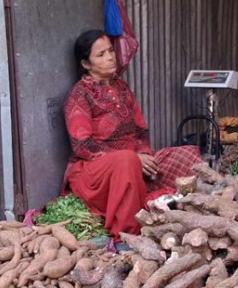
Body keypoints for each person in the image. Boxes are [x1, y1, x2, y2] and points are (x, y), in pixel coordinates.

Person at [62, 29, 202, 237]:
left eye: (110, 50)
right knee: (127, 161)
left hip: (133, 160)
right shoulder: (79, 96)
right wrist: (135, 158)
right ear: (85, 64)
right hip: (95, 172)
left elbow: (141, 130)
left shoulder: (121, 87)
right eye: (101, 55)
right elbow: (83, 146)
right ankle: (128, 233)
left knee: (188, 155)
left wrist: (144, 154)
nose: (110, 57)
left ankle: (181, 210)